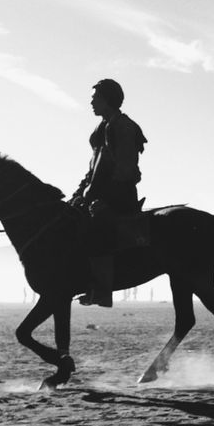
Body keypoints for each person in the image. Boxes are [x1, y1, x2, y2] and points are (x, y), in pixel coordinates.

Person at [70, 78, 148, 307]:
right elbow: (93, 169)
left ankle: (102, 291)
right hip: (97, 194)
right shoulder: (101, 128)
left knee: (97, 229)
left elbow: (125, 169)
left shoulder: (123, 126)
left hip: (118, 195)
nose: (91, 102)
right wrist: (78, 193)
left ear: (107, 100)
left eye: (96, 98)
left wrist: (101, 198)